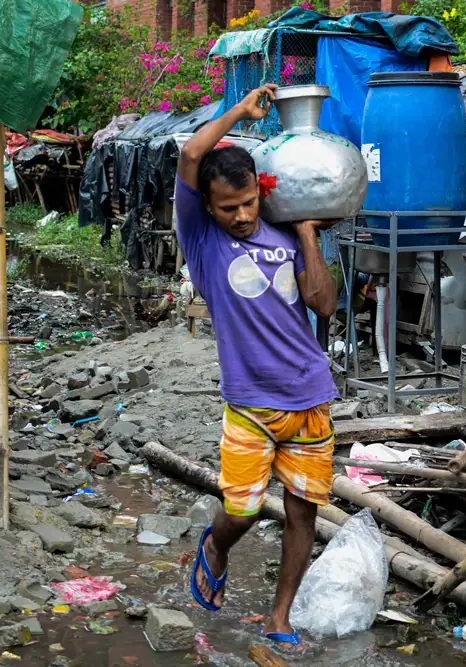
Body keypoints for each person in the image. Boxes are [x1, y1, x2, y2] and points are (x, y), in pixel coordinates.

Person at [175, 83, 339, 653]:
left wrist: (308, 236)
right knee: (241, 509)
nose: (242, 216)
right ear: (209, 206)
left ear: (259, 193)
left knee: (302, 513)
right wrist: (240, 112)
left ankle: (279, 614)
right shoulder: (202, 239)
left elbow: (322, 304)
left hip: (312, 397)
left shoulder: (286, 229)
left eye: (248, 204)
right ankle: (216, 546)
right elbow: (192, 156)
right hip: (249, 402)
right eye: (228, 208)